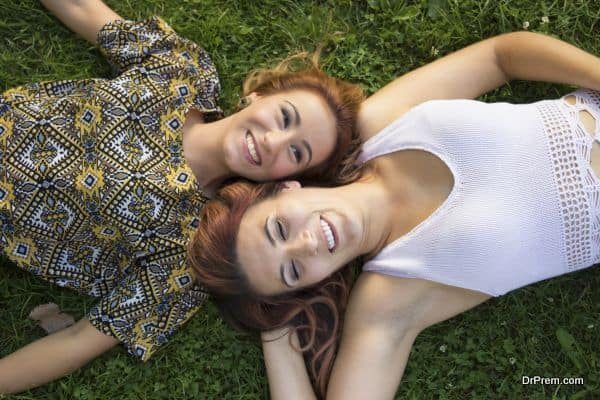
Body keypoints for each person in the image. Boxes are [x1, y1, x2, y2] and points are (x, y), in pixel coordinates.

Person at [189, 31, 600, 399]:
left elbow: (500, 56)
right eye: (293, 271)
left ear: (285, 188)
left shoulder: (382, 125)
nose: (306, 243)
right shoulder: (388, 299)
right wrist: (272, 319)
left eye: (279, 228)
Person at [0, 0, 364, 394]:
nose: (273, 142)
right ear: (259, 95)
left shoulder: (191, 250)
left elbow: (81, 340)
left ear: (288, 181)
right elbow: (84, 11)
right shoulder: (182, 70)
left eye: (297, 153)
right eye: (284, 117)